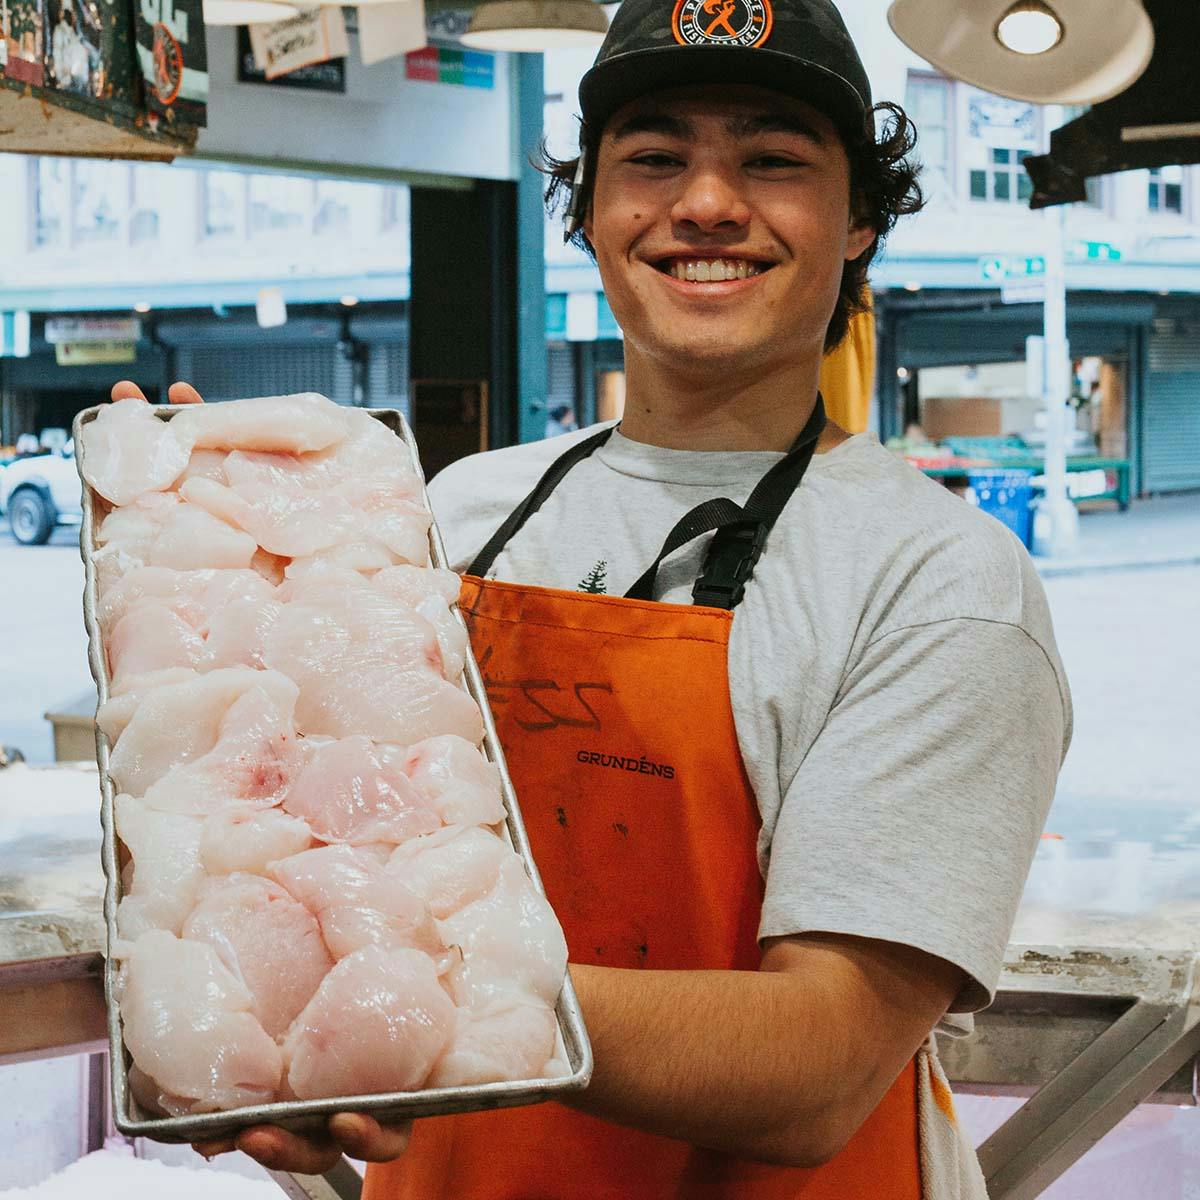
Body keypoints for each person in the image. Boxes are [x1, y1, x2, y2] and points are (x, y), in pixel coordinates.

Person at [113, 0, 1071, 1193]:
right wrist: (209, 554)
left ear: (860, 218)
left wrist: (408, 999)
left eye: (772, 158)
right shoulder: (455, 511)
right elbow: (301, 829)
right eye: (655, 157)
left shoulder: (935, 579)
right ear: (595, 212)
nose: (708, 202)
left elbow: (820, 1063)